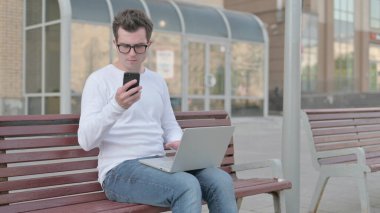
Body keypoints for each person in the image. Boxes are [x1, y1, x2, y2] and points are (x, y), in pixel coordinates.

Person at [78, 9, 238, 213]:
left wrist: (180, 143)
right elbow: (85, 140)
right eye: (124, 46)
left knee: (221, 180)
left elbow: (169, 125)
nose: (132, 54)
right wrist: (117, 106)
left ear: (149, 44)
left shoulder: (157, 81)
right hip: (119, 170)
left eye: (139, 46)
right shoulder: (98, 80)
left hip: (158, 163)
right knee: (186, 185)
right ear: (114, 43)